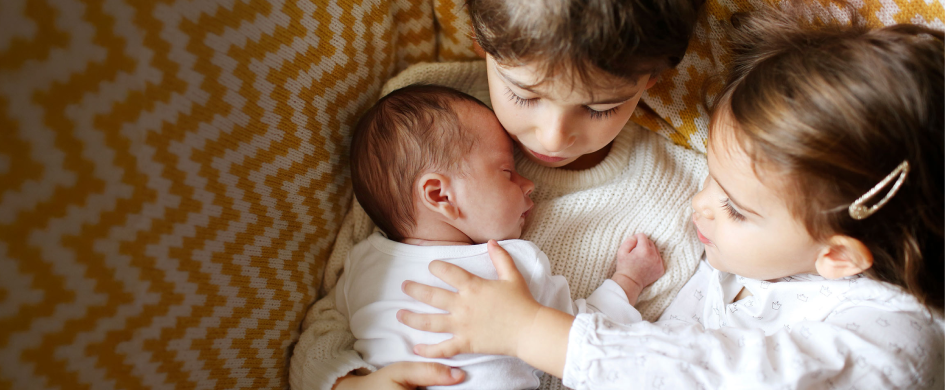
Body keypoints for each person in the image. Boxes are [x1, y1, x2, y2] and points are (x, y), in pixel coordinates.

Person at [395, 9, 944, 388]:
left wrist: (530, 332)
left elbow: (712, 372)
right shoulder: (766, 258)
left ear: (839, 256)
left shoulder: (892, 345)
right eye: (711, 180)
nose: (698, 206)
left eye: (734, 207)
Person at [291, 0, 706, 388]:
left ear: (651, 79)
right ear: (479, 40)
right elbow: (323, 326)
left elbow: (586, 344)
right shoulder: (415, 123)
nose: (553, 137)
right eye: (524, 94)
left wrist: (629, 280)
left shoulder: (687, 187)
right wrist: (351, 382)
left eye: (599, 108)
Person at [339, 84, 664, 389]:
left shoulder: (361, 264)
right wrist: (629, 280)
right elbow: (582, 339)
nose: (529, 183)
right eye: (507, 172)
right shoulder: (509, 267)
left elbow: (325, 334)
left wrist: (344, 382)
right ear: (440, 195)